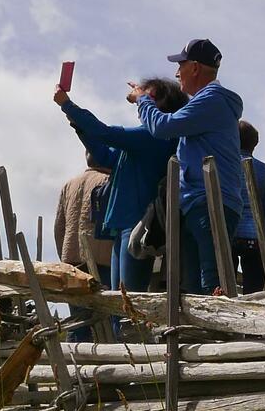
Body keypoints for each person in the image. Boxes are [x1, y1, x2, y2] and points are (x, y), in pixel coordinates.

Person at [135, 38, 254, 293]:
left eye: (181, 65)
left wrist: (143, 100)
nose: (177, 73)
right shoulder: (211, 103)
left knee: (212, 285)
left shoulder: (212, 100)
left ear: (195, 68)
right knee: (196, 287)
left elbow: (163, 127)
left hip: (208, 202)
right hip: (201, 202)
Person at [55, 77, 183, 291]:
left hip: (137, 224)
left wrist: (68, 106)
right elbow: (104, 155)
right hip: (125, 225)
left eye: (148, 96)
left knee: (129, 298)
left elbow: (105, 133)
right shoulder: (148, 138)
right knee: (120, 298)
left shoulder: (155, 136)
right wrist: (77, 121)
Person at [232, 120, 265, 293]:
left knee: (224, 290)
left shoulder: (223, 166)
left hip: (230, 233)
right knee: (254, 294)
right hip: (256, 236)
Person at [53, 157, 115, 282]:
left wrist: (64, 256)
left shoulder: (69, 185)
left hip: (71, 260)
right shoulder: (109, 182)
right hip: (101, 261)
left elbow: (59, 228)